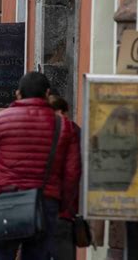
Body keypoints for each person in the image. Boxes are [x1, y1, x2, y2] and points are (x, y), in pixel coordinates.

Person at [0, 72, 81, 260]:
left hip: (5, 203)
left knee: (1, 254)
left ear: (18, 94)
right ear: (47, 93)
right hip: (45, 203)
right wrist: (60, 206)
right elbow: (72, 174)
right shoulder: (64, 126)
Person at [49, 94, 81, 260]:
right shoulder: (73, 130)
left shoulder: (31, 129)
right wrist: (66, 205)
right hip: (64, 210)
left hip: (33, 207)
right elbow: (73, 172)